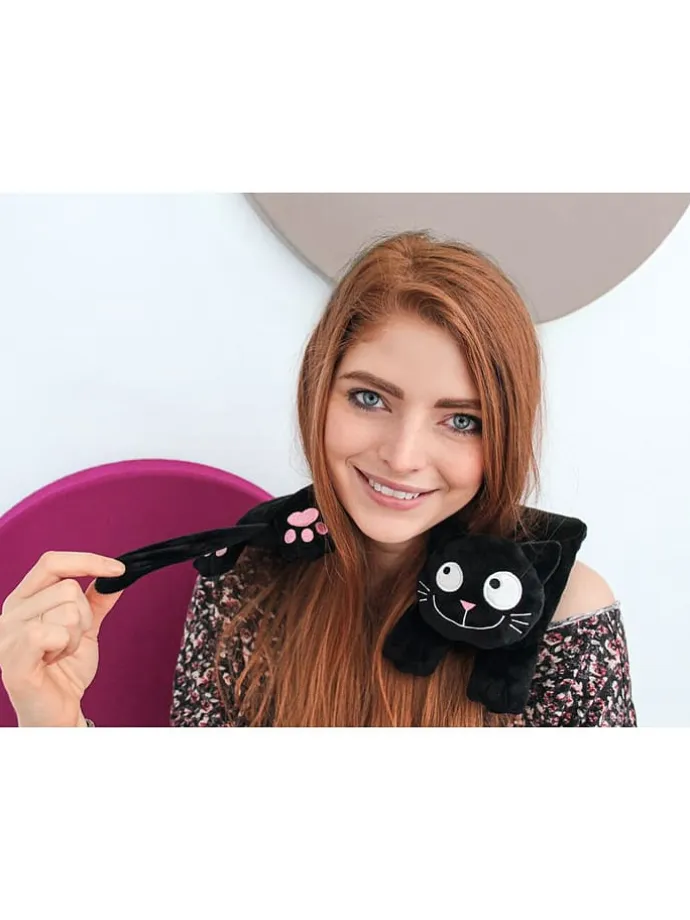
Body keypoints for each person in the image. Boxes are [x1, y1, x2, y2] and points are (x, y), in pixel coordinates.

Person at [0, 232, 636, 728]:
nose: (403, 456)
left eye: (462, 420)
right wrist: (56, 723)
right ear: (318, 391)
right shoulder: (244, 579)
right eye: (370, 399)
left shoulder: (563, 611)